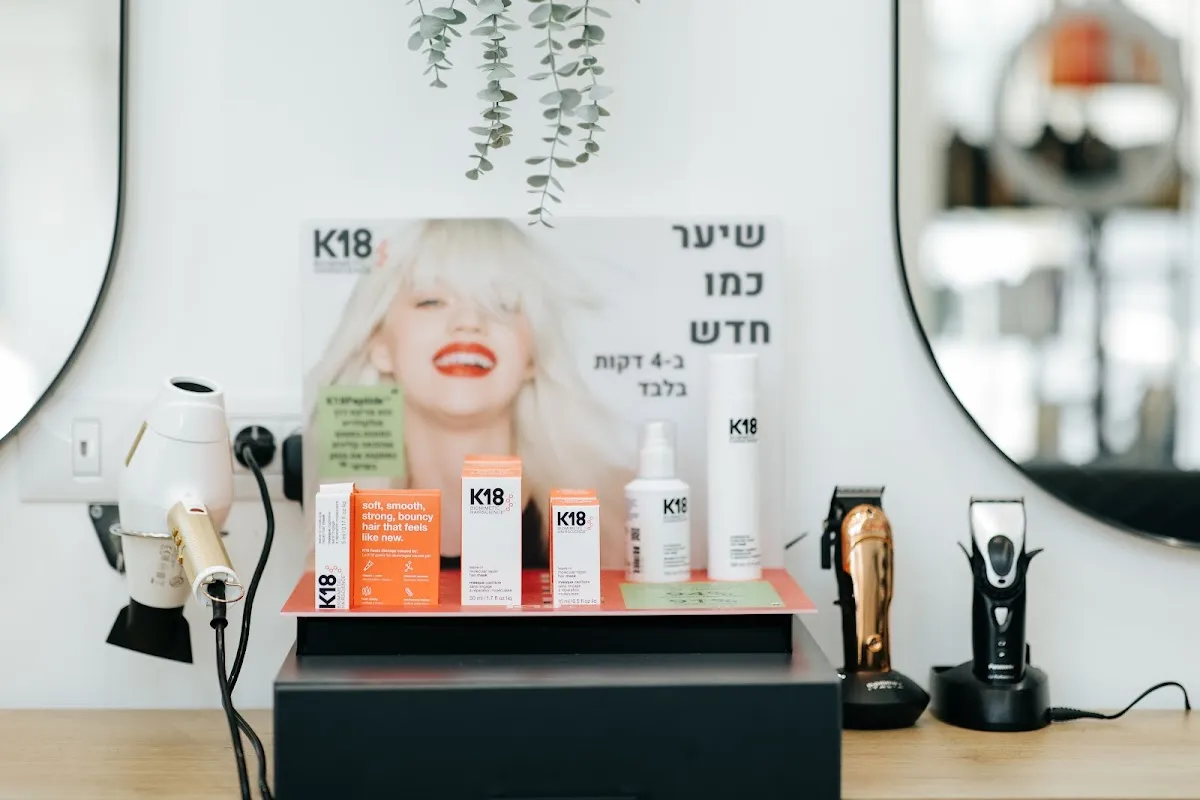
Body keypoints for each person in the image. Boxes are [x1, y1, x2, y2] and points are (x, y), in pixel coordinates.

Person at [305, 218, 632, 570]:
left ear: (533, 354)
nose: (469, 321)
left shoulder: (620, 512)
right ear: (379, 345)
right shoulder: (339, 534)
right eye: (431, 301)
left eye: (502, 303)